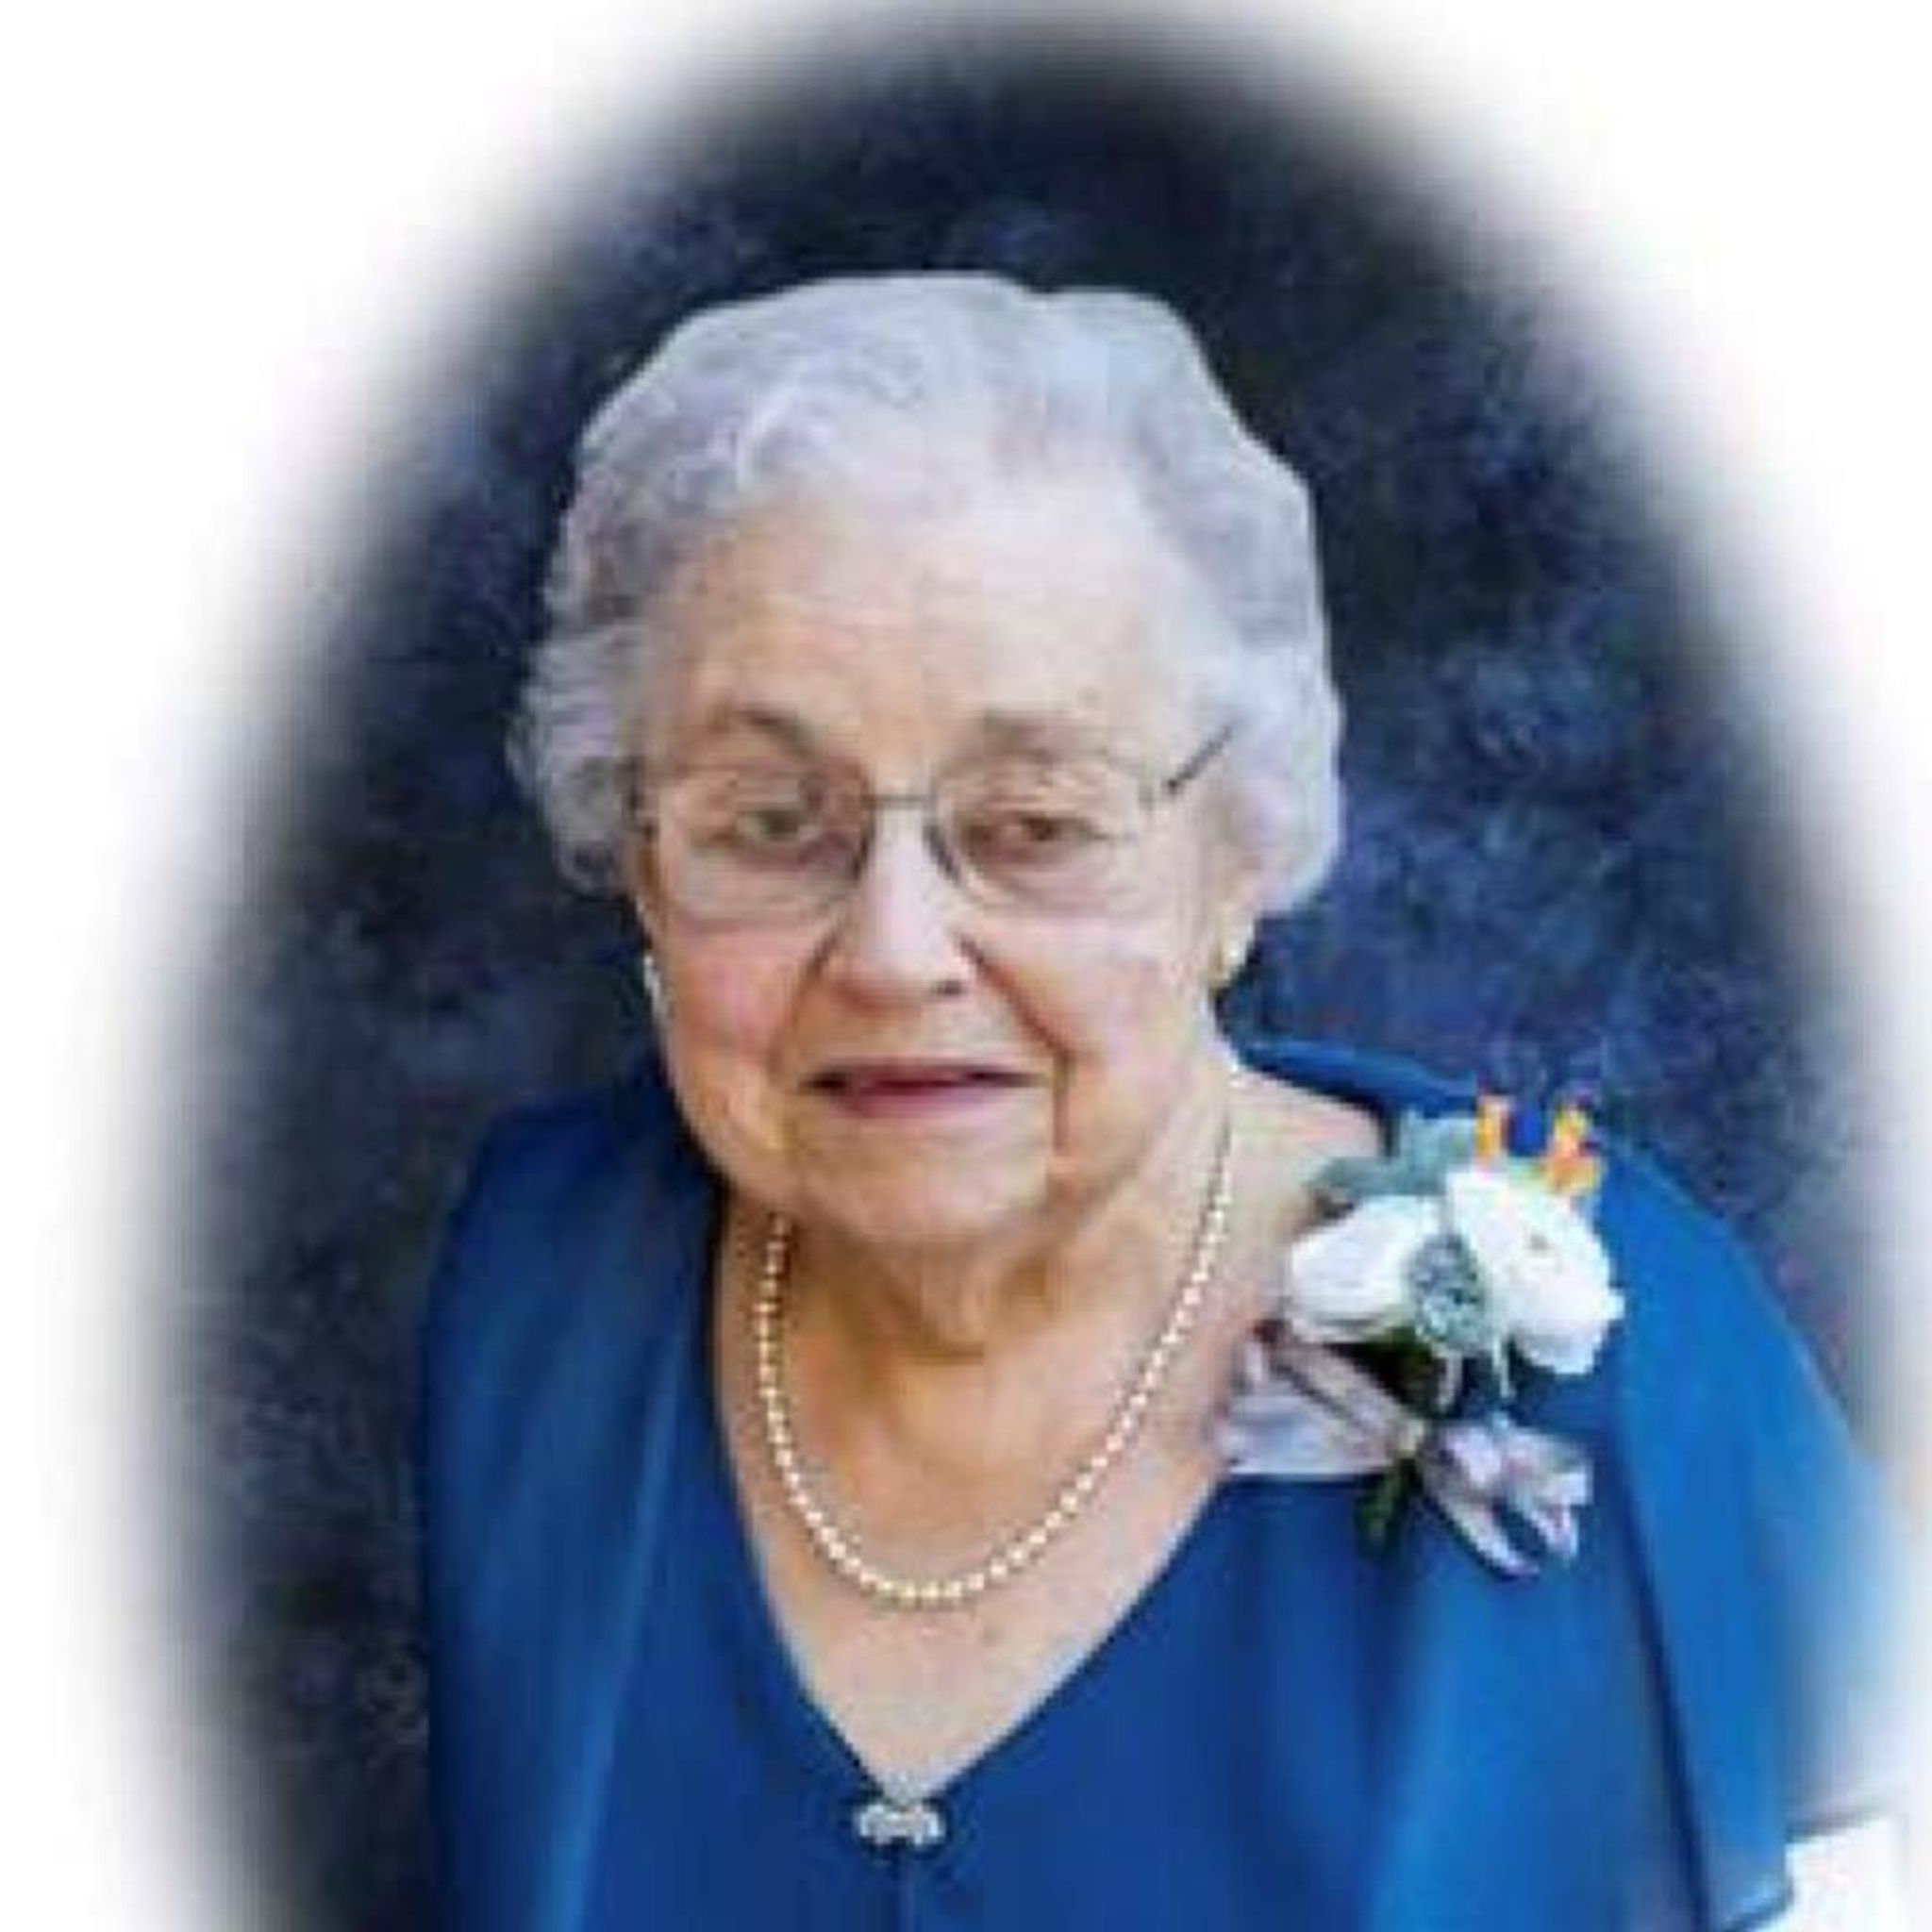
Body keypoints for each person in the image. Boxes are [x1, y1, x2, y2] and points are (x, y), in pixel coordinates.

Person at [419, 274, 1903, 1929]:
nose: (895, 952)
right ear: (640, 862)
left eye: (1035, 823)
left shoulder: (1622, 1364)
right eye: (770, 823)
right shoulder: (544, 1281)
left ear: (1241, 856)